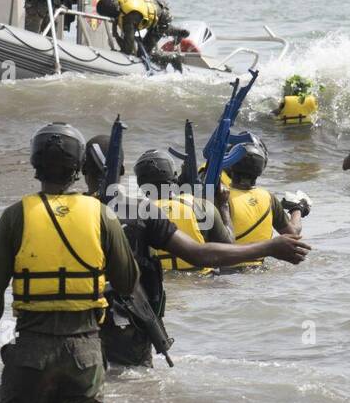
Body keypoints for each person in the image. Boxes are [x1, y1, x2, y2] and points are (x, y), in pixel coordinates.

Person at [0, 123, 139, 403]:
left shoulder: (14, 216)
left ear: (35, 165)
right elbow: (127, 283)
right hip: (85, 355)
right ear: (78, 168)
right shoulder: (101, 214)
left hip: (31, 356)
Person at [85, 134, 311, 366]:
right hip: (202, 288)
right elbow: (220, 250)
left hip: (104, 314)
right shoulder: (196, 206)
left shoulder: (129, 212)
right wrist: (224, 207)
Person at [133, 149, 234, 271]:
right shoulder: (201, 206)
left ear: (140, 185)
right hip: (203, 282)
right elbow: (229, 249)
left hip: (163, 282)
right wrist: (223, 205)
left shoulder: (137, 213)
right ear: (174, 177)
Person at [225, 136, 309, 270]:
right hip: (259, 268)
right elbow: (293, 233)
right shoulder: (269, 198)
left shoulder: (221, 197)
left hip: (227, 269)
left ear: (230, 166)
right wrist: (297, 209)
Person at [95, 0, 180, 58]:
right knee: (158, 29)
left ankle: (172, 59)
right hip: (160, 7)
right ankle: (180, 32)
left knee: (142, 54)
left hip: (162, 18)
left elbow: (128, 49)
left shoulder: (129, 19)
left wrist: (116, 35)